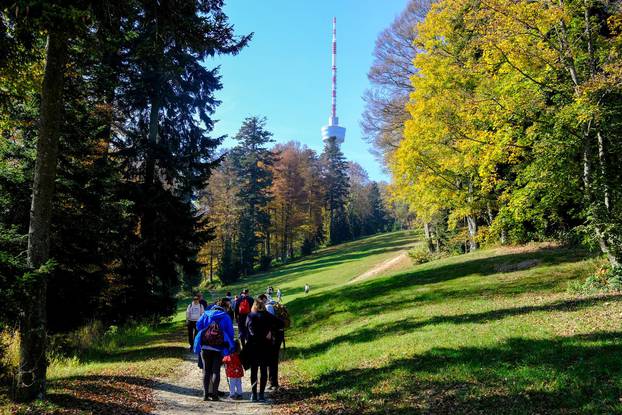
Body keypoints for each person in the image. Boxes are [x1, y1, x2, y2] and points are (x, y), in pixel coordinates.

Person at [193, 298, 235, 401]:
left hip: (205, 347)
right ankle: (215, 395)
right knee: (216, 371)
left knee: (206, 371)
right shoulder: (225, 316)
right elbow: (231, 333)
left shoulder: (206, 314)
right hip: (218, 347)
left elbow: (198, 326)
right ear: (222, 309)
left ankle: (205, 395)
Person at [245, 299, 284, 402]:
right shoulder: (268, 316)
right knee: (263, 371)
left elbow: (250, 332)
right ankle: (261, 395)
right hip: (266, 347)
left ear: (254, 306)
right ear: (263, 306)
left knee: (253, 371)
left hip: (253, 347)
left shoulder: (250, 316)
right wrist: (270, 330)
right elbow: (281, 323)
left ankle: (254, 395)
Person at [258, 294, 284, 391]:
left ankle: (273, 383)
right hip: (278, 335)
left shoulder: (268, 307)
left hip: (273, 337)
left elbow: (268, 322)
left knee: (272, 360)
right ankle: (273, 382)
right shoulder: (273, 305)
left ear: (264, 299)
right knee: (273, 359)